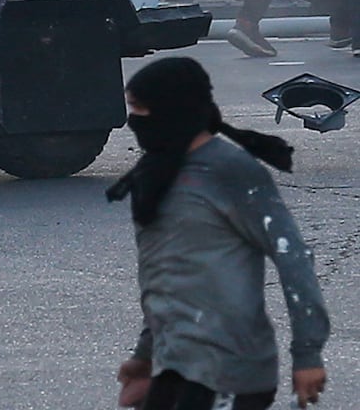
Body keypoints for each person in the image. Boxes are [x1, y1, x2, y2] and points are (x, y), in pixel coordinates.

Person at [112, 57, 329, 410]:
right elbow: (170, 278)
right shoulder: (157, 173)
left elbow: (293, 258)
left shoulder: (230, 170)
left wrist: (307, 355)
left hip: (230, 371)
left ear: (172, 109)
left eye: (140, 109)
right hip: (175, 366)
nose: (133, 121)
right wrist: (145, 355)